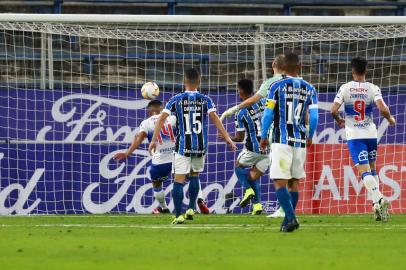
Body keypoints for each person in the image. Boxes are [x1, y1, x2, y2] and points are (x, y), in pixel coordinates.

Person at [149, 68, 237, 224]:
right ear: (199, 81)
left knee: (178, 180)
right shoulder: (205, 99)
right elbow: (214, 117)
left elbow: (162, 119)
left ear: (184, 81)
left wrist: (153, 140)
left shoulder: (176, 99)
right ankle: (191, 208)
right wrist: (228, 137)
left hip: (183, 145)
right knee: (195, 175)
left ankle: (178, 215)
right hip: (200, 145)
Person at [114, 100, 210, 214]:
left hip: (160, 161)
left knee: (157, 184)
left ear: (149, 111)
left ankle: (164, 208)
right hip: (178, 156)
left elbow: (139, 138)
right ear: (162, 108)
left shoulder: (146, 123)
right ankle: (199, 200)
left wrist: (127, 153)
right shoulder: (173, 118)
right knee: (193, 175)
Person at [330, 57, 395, 222]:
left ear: (352, 71)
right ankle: (377, 208)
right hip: (371, 134)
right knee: (373, 168)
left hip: (355, 135)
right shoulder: (373, 88)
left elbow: (333, 110)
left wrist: (339, 121)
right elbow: (383, 109)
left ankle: (379, 198)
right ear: (366, 71)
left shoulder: (345, 88)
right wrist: (390, 119)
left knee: (363, 171)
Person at [260, 52, 319, 232]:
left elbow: (269, 113)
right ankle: (287, 221)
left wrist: (263, 135)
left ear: (284, 68)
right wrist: (310, 135)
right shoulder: (310, 88)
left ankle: (292, 218)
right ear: (299, 67)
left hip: (281, 139)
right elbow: (315, 116)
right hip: (300, 140)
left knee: (279, 182)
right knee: (294, 182)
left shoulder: (276, 86)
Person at [220, 79, 269, 215]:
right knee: (252, 177)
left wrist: (228, 138)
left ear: (241, 92)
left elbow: (240, 138)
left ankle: (248, 190)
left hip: (254, 146)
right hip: (269, 149)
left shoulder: (240, 112)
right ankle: (258, 206)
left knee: (238, 166)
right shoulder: (264, 102)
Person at [220, 55, 285, 121]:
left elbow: (253, 100)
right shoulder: (294, 81)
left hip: (277, 124)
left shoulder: (270, 83)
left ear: (273, 64)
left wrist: (233, 109)